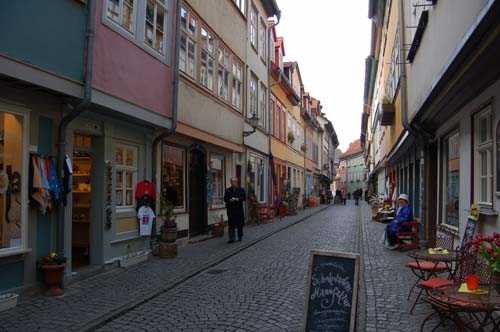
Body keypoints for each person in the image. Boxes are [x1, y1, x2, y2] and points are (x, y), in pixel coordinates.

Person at [224, 177, 246, 243]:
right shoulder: (228, 190)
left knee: (239, 224)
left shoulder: (241, 190)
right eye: (232, 182)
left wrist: (238, 199)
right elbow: (225, 199)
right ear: (231, 182)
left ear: (237, 182)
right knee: (231, 224)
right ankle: (231, 238)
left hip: (239, 210)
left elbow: (244, 198)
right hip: (231, 210)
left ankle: (240, 236)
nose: (233, 183)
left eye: (235, 181)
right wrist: (229, 200)